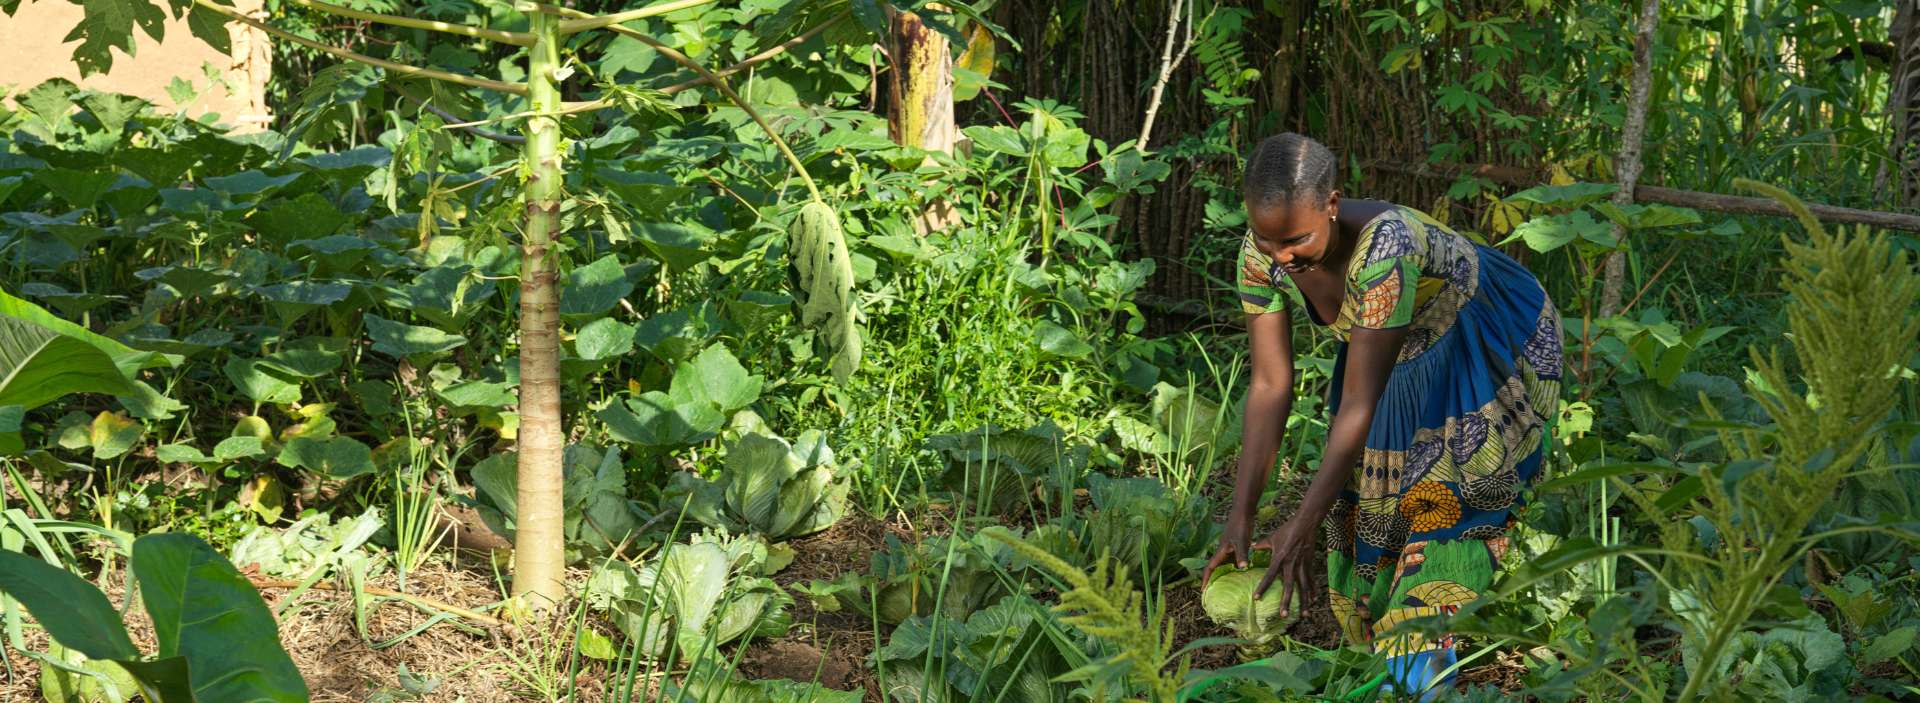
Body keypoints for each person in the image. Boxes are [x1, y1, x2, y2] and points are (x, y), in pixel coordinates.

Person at [1200, 133, 1564, 699]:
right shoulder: (1260, 255)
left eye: (1295, 240)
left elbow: (1359, 404)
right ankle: (1379, 657)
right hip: (1394, 350)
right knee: (1371, 502)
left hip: (1480, 333)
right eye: (1268, 241)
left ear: (1333, 204)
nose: (1282, 258)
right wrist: (1240, 516)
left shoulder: (1384, 249)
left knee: (1451, 498)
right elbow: (1271, 384)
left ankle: (1422, 675)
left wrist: (1303, 522)